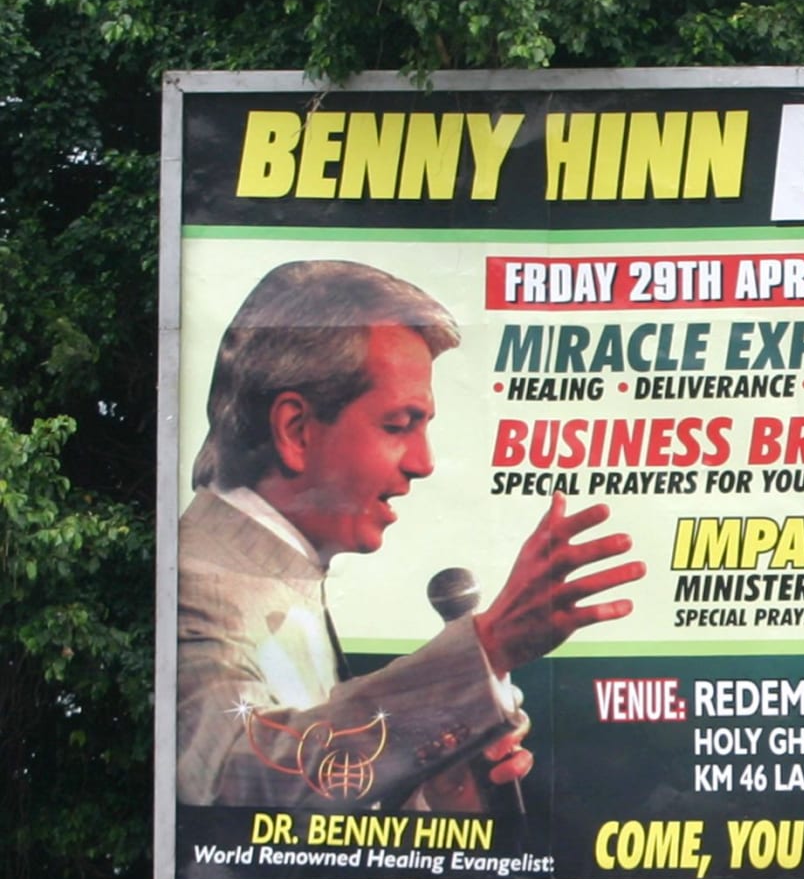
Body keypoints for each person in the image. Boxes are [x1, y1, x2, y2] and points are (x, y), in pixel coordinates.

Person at [176, 259, 646, 809]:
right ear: (295, 430)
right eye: (398, 426)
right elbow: (227, 792)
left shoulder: (279, 572)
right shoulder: (197, 580)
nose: (423, 463)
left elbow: (313, 793)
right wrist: (485, 649)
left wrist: (434, 788)